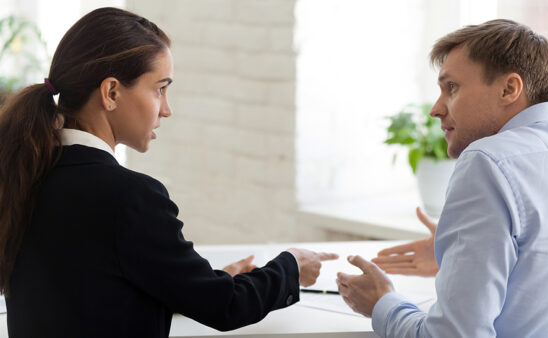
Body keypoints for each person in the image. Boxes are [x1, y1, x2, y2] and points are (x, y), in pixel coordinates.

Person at [0, 7, 338, 338]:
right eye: (159, 88)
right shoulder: (130, 196)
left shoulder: (26, 172)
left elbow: (91, 295)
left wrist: (196, 281)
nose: (167, 109)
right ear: (111, 92)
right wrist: (291, 266)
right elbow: (226, 306)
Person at [336, 19, 548, 337]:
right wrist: (460, 260)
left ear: (509, 89)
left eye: (452, 88)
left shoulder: (487, 162)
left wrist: (382, 303)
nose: (436, 109)